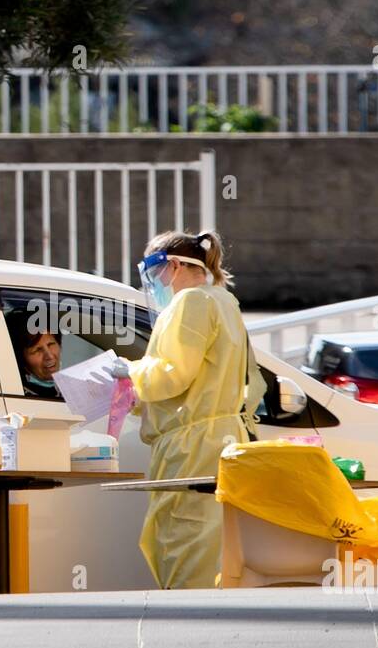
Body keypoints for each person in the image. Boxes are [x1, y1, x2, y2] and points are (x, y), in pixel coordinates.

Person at [110, 230, 264, 589]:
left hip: (193, 446)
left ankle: (186, 636)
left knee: (184, 547)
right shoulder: (224, 302)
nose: (153, 285)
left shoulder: (189, 302)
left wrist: (128, 372)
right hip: (221, 441)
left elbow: (172, 375)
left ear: (174, 265)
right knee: (209, 548)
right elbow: (248, 381)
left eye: (154, 275)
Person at [4, 311, 63, 399]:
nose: (49, 356)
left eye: (51, 344)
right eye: (37, 350)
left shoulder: (68, 389)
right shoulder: (18, 397)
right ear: (21, 359)